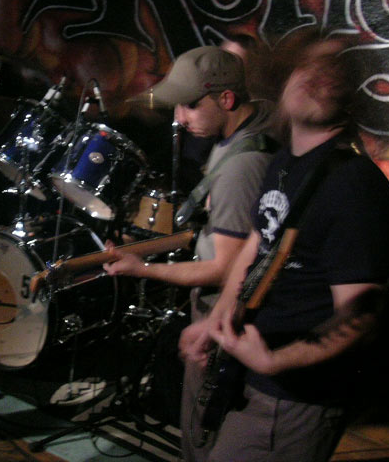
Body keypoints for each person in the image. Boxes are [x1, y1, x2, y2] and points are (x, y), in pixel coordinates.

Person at [179, 37, 389, 462]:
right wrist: (218, 318)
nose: (319, 78)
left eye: (334, 70)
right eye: (308, 67)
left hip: (295, 399)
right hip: (253, 379)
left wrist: (274, 361)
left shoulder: (355, 185)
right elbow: (257, 245)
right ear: (282, 81)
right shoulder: (286, 163)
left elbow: (361, 316)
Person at [103, 44, 278, 458]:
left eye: (190, 106)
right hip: (224, 313)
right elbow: (211, 235)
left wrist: (143, 269)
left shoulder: (240, 167)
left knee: (200, 437)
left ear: (226, 99)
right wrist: (141, 248)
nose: (179, 118)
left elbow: (224, 269)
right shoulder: (242, 134)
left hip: (220, 314)